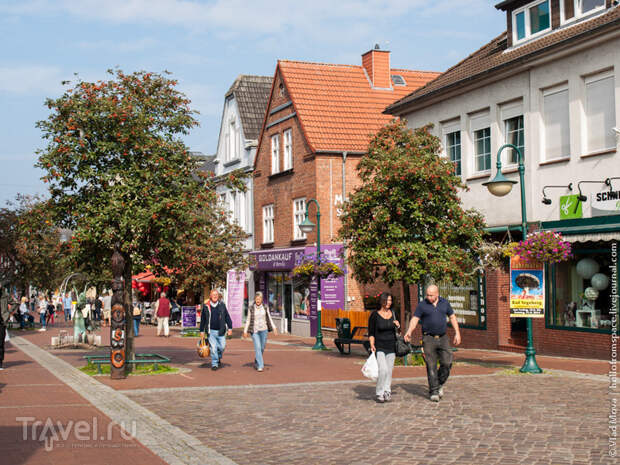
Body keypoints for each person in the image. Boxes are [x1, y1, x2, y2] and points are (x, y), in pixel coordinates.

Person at [405, 284, 461, 402]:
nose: (429, 297)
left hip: (443, 337)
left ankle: (439, 383)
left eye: (431, 295)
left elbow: (452, 317)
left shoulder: (444, 303)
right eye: (427, 295)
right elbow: (415, 319)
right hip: (428, 338)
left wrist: (457, 332)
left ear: (437, 294)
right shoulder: (422, 305)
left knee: (447, 362)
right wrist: (409, 331)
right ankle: (434, 391)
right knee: (431, 365)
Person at [368, 292, 400, 403]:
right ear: (382, 301)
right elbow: (371, 332)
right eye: (387, 300)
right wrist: (372, 344)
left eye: (391, 300)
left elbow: (397, 330)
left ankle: (387, 391)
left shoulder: (394, 313)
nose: (389, 303)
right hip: (380, 346)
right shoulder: (374, 315)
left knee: (389, 371)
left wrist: (398, 325)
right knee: (383, 369)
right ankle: (379, 392)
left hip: (391, 345)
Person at [243, 291, 278, 372]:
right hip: (254, 330)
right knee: (258, 347)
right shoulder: (251, 308)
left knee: (262, 348)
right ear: (255, 299)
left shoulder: (265, 307)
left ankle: (257, 359)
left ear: (262, 299)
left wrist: (274, 328)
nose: (258, 300)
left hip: (264, 330)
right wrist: (245, 331)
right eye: (256, 299)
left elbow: (269, 318)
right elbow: (248, 320)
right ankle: (260, 365)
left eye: (259, 299)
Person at [199, 289, 233, 371]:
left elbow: (227, 317)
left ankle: (218, 357)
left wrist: (230, 328)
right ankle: (214, 364)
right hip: (211, 332)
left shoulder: (222, 305)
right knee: (213, 348)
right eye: (213, 294)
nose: (215, 296)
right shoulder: (206, 306)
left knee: (222, 347)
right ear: (210, 296)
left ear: (218, 296)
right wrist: (202, 331)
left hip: (221, 331)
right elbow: (203, 319)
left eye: (216, 295)